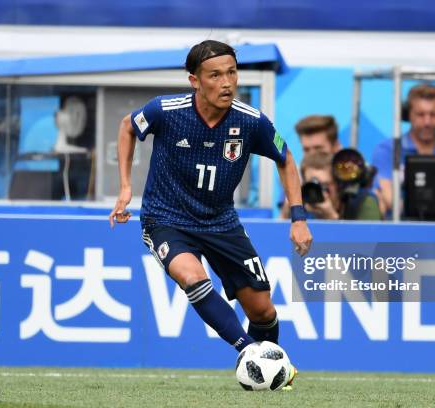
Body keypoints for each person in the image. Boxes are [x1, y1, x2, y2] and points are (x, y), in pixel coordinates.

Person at [109, 40, 312, 389]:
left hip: (221, 221)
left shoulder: (250, 122)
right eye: (215, 75)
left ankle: (269, 373)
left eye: (231, 72)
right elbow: (129, 125)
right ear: (195, 81)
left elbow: (285, 158)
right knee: (192, 277)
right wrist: (126, 188)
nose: (227, 82)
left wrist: (298, 217)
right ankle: (251, 355)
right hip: (166, 218)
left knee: (263, 312)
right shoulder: (166, 110)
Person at [371, 83, 435, 216]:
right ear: (408, 115)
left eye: (433, 115)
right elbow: (389, 197)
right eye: (420, 115)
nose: (427, 122)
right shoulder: (387, 150)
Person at [300, 151, 382, 220]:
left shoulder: (364, 203)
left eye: (325, 185)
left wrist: (331, 218)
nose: (318, 191)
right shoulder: (300, 206)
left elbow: (370, 238)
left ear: (338, 185)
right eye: (311, 185)